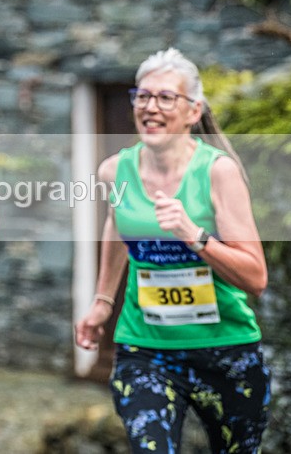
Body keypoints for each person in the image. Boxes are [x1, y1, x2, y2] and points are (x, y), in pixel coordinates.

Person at [74, 48, 271, 453]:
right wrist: (102, 300)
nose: (150, 107)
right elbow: (118, 227)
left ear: (193, 111)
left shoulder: (218, 172)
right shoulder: (115, 170)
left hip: (225, 348)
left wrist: (194, 235)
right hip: (146, 350)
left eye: (166, 98)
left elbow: (255, 278)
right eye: (142, 96)